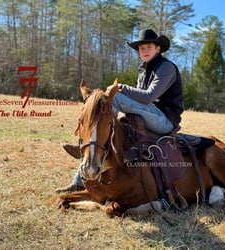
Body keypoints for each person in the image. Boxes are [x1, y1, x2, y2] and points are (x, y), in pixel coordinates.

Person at [56, 28, 184, 193]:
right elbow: (138, 101)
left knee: (114, 99)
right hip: (149, 114)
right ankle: (84, 167)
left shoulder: (166, 68)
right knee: (111, 120)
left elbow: (148, 97)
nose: (144, 51)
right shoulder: (143, 71)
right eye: (141, 48)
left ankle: (100, 137)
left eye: (148, 47)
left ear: (158, 48)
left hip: (164, 120)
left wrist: (120, 88)